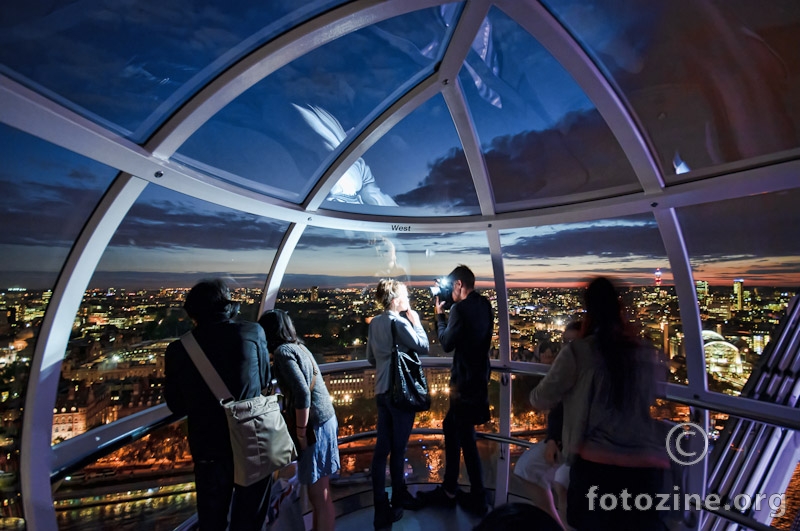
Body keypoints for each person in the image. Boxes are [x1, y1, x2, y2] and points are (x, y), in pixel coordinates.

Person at [530, 278, 669, 531]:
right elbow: (651, 396)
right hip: (647, 467)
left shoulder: (578, 352)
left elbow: (540, 398)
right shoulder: (643, 351)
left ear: (588, 310)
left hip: (598, 467)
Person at [164, 278, 272, 531]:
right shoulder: (252, 333)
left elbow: (177, 406)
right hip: (251, 441)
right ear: (228, 306)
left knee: (212, 523)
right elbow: (265, 380)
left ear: (192, 313)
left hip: (209, 448)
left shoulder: (178, 350)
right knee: (250, 520)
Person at [417, 265, 494, 516]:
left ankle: (469, 495)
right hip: (479, 381)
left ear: (459, 284)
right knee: (455, 429)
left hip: (463, 385)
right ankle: (456, 490)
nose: (450, 291)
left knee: (466, 440)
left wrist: (439, 316)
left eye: (452, 286)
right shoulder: (484, 305)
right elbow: (469, 328)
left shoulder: (460, 309)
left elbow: (448, 342)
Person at [258, 309, 340, 531]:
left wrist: (301, 434)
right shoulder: (299, 347)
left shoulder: (284, 353)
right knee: (322, 492)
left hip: (315, 427)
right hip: (325, 420)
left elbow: (303, 393)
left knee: (317, 495)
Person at [366, 279, 430, 528]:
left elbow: (371, 358)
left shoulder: (375, 324)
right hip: (399, 394)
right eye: (405, 296)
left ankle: (380, 507)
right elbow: (423, 346)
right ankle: (400, 497)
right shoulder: (399, 322)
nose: (408, 299)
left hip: (381, 392)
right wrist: (417, 323)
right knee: (399, 448)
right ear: (395, 301)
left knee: (382, 450)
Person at [514, 320, 582, 530]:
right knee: (533, 470)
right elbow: (558, 408)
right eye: (565, 343)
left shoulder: (577, 370)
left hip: (580, 444)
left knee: (560, 481)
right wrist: (553, 438)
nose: (568, 348)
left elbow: (541, 399)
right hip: (568, 440)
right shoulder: (576, 368)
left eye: (573, 343)